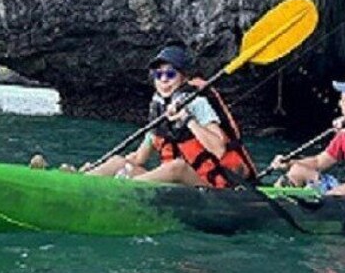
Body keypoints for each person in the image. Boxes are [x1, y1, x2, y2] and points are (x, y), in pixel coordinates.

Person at [83, 44, 257, 188]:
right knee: (117, 162)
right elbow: (139, 157)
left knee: (177, 167)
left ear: (183, 78)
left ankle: (119, 190)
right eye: (159, 75)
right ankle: (83, 179)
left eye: (170, 74)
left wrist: (188, 120)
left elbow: (219, 149)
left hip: (217, 188)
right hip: (180, 189)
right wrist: (101, 168)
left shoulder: (197, 103)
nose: (164, 79)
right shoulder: (158, 109)